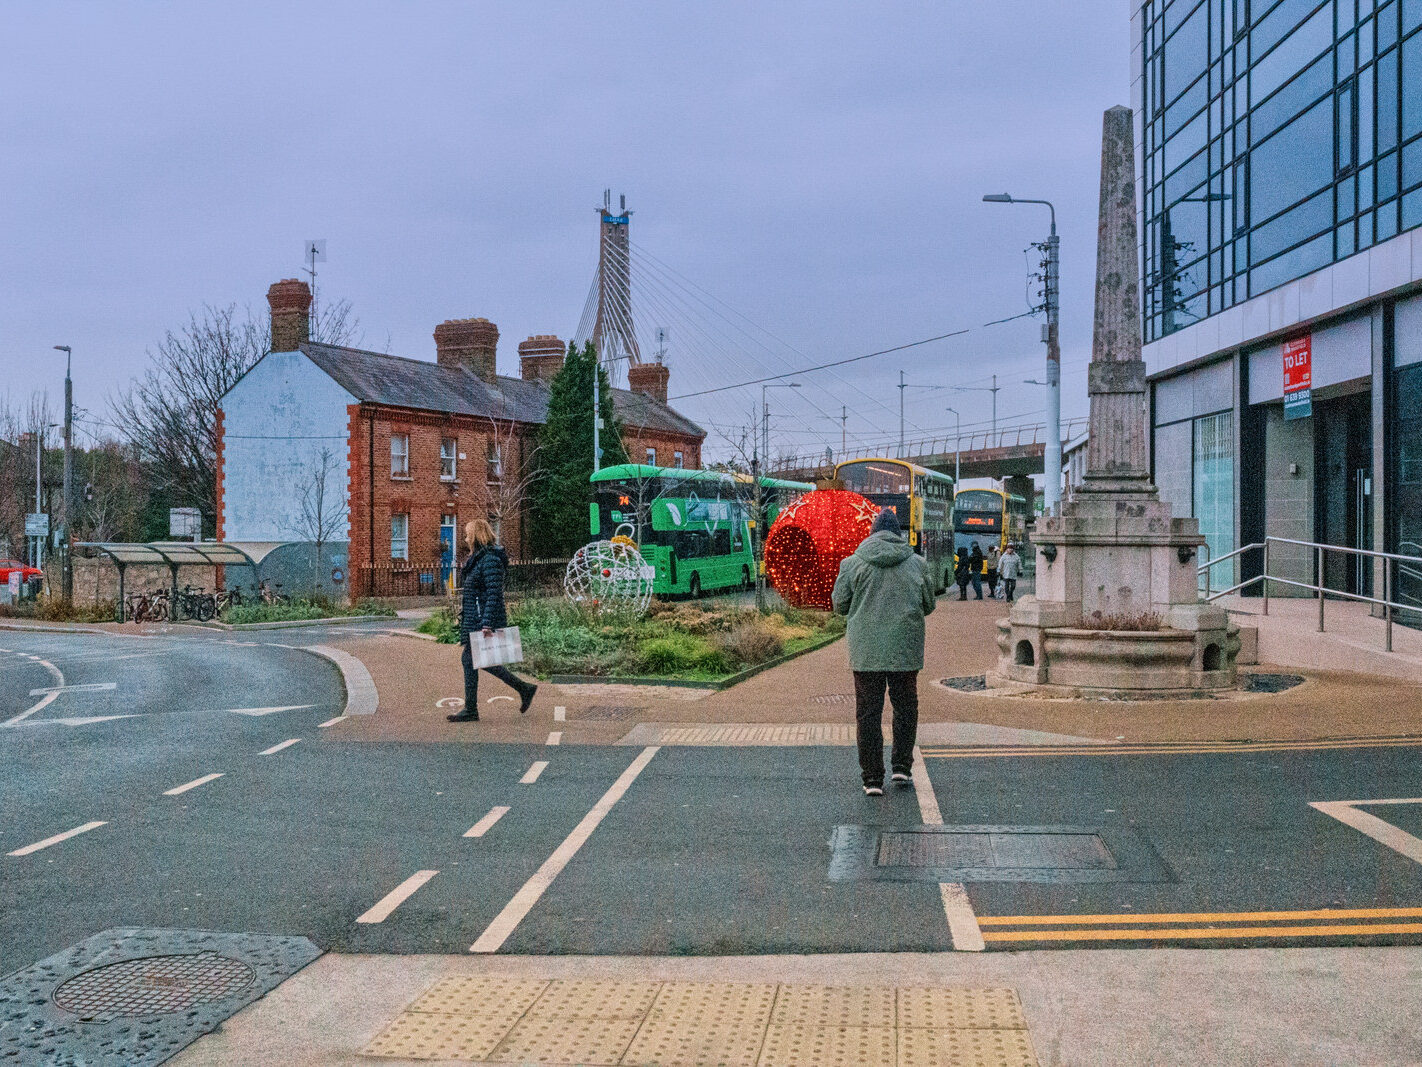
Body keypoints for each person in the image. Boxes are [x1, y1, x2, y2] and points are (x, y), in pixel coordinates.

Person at [831, 507, 937, 797]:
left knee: (868, 714)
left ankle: (872, 779)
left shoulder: (852, 564)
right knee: (905, 708)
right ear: (899, 535)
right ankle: (902, 766)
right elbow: (929, 604)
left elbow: (839, 605)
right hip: (905, 648)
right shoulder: (917, 564)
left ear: (872, 533)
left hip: (866, 652)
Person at [446, 518, 537, 722]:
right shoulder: (478, 559)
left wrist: (487, 623)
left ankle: (473, 709)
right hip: (475, 617)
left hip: (482, 619)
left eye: (468, 533)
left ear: (477, 535)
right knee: (473, 660)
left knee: (473, 660)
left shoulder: (490, 560)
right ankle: (524, 689)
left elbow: (494, 593)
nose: (466, 537)